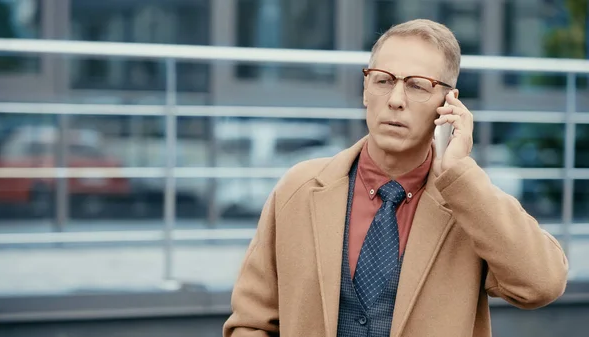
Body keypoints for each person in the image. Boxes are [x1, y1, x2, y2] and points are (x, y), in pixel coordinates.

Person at [222, 19, 568, 337]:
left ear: (448, 103)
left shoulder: (469, 204)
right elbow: (251, 321)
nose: (396, 100)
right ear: (365, 89)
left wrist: (459, 172)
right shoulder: (299, 189)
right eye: (383, 80)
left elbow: (542, 284)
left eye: (418, 86)